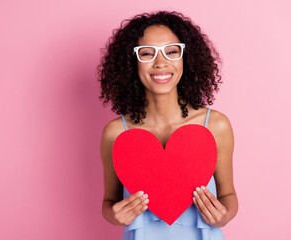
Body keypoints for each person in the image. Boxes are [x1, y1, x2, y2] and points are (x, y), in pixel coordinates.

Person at [98, 11, 238, 240]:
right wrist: (115, 216)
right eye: (147, 53)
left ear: (186, 57)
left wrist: (224, 216)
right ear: (131, 62)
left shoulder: (215, 125)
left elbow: (229, 194)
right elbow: (108, 202)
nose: (161, 62)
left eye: (172, 51)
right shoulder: (116, 133)